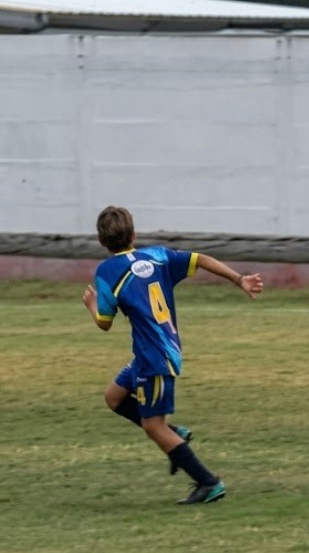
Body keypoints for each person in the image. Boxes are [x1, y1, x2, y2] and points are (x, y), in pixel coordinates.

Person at [82, 206, 263, 504]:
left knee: (154, 427)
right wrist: (238, 279)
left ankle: (208, 482)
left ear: (101, 242)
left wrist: (91, 305)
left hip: (155, 357)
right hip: (151, 352)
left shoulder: (107, 271)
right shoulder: (157, 256)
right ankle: (176, 432)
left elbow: (104, 322)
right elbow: (200, 259)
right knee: (114, 397)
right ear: (134, 234)